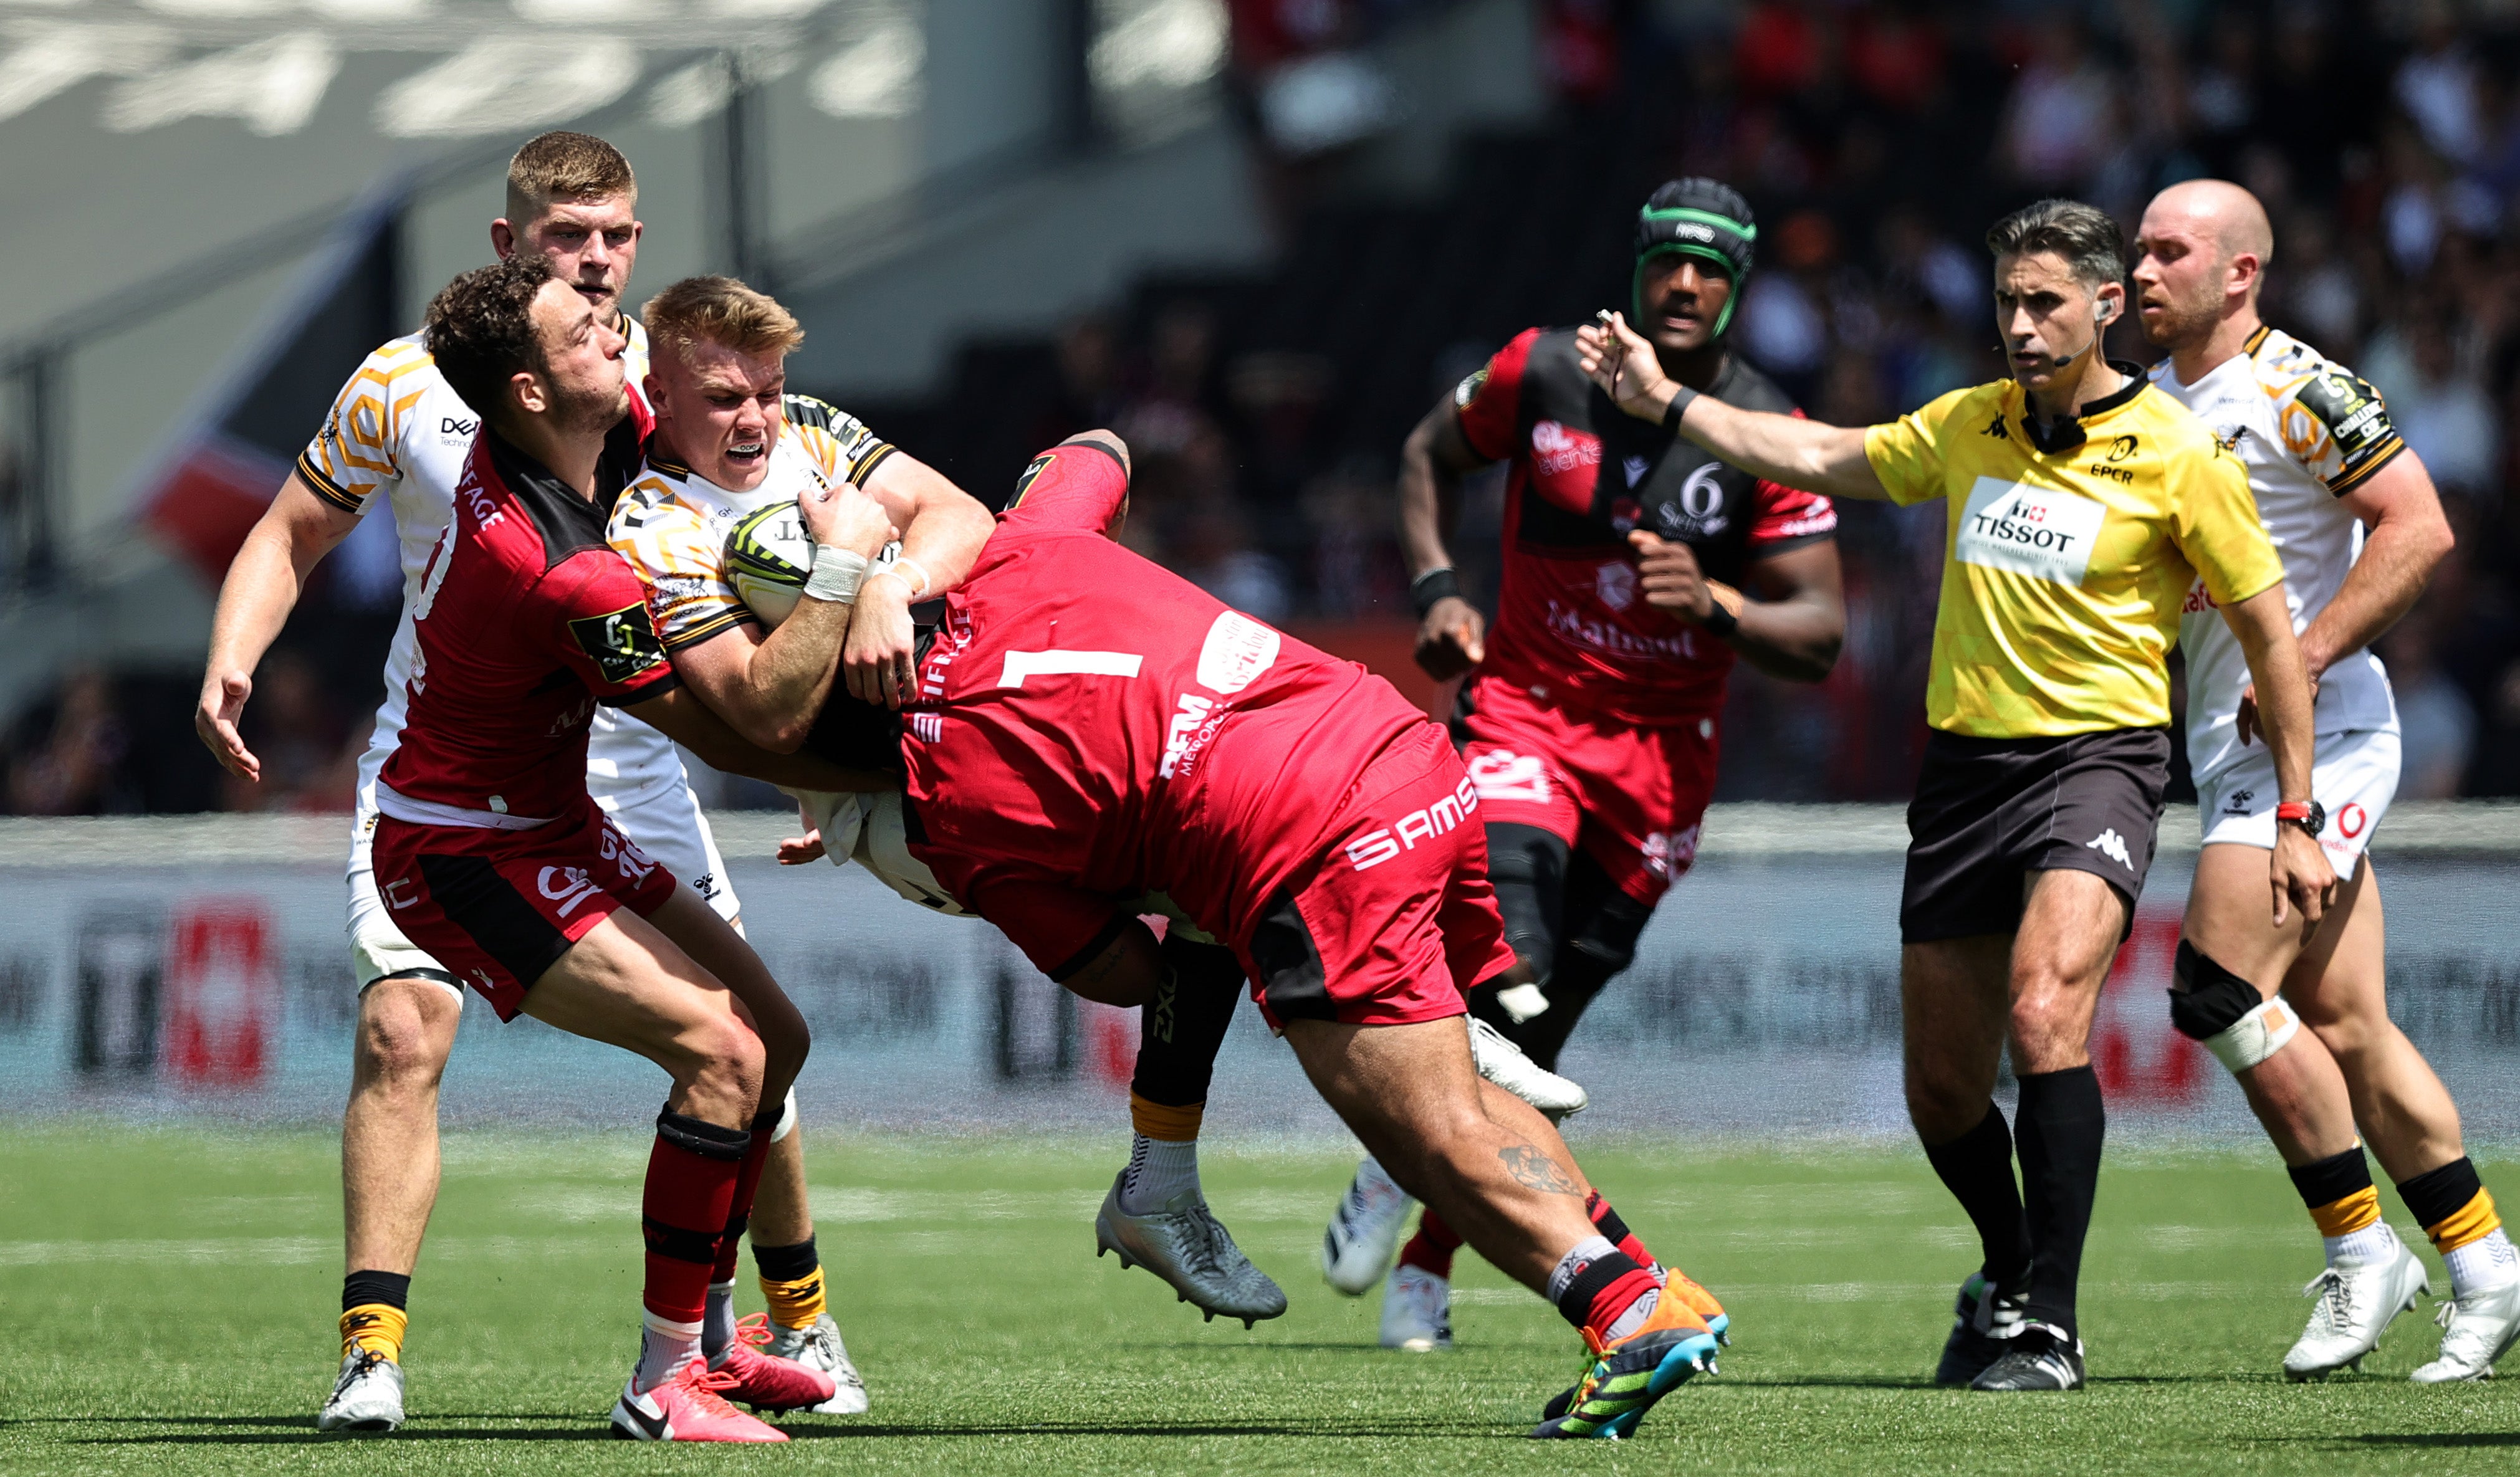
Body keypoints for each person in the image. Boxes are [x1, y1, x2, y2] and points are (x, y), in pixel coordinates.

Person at [787, 428, 1728, 1439]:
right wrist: (908, 569)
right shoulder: (1024, 544)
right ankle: (1651, 1282)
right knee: (1462, 1098)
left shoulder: (953, 812)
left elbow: (1124, 973)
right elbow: (1099, 446)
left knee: (1431, 1134)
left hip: (1313, 847)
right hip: (1402, 749)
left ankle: (1622, 1315)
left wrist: (1136, 866)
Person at [1578, 197, 2334, 1392]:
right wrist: (1666, 403)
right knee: (1940, 1090)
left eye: (2044, 303)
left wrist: (2297, 811)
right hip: (1964, 773)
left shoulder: (2185, 455)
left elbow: (2274, 638)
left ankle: (2053, 1327)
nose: (2021, 327)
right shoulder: (1968, 424)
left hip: (2101, 761)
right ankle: (2009, 1266)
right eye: (2006, 303)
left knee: (2045, 1016)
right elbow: (1819, 453)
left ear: (2102, 306)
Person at [191, 133, 864, 1432]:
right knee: (432, 1034)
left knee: (768, 1047)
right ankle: (476, 1364)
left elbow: (749, 541)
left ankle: (786, 1325)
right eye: (569, 241)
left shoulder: (647, 387)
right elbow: (292, 530)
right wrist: (234, 658)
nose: (600, 268)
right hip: (465, 795)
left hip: (602, 759)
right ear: (511, 255)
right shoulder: (440, 411)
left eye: (617, 238)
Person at [606, 275, 1282, 1323]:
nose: (757, 419)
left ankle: (1182, 1164)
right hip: (903, 797)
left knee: (1222, 861)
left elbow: (963, 516)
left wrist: (891, 584)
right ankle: (1226, 1124)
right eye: (725, 396)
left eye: (769, 391)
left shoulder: (812, 431)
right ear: (659, 389)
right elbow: (763, 717)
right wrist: (844, 565)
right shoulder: (652, 523)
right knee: (1138, 973)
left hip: (1015, 720)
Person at [373, 254, 888, 1440]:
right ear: (530, 392)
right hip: (459, 850)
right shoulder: (565, 571)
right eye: (586, 331)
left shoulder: (569, 449)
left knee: (781, 1040)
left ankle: (714, 1343)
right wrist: (849, 566)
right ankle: (662, 1383)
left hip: (550, 818)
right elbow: (749, 725)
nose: (615, 333)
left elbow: (725, 395)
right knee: (718, 1051)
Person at [1329, 176, 1847, 1351]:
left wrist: (1714, 601)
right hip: (1523, 712)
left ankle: (1414, 1219)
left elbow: (1819, 634)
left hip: (1662, 763)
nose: (1684, 284)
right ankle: (1419, 1181)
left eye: (1710, 270)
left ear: (1738, 288)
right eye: (1667, 260)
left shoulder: (1762, 430)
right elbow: (1424, 454)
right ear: (1637, 265)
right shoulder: (1545, 370)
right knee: (1513, 963)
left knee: (1543, 1035)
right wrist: (1436, 587)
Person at [2132, 179, 2519, 1381]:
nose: (2141, 274)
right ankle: (2489, 1267)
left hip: (2325, 734)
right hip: (2225, 743)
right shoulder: (2145, 402)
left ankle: (2363, 1250)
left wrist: (2304, 651)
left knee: (2212, 988)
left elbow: (2419, 525)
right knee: (2348, 1023)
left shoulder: (2300, 386)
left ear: (2242, 272)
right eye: (2136, 252)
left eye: (2168, 252)